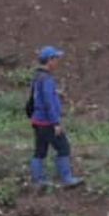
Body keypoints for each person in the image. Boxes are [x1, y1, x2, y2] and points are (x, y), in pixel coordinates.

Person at [28, 45, 83, 188]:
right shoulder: (47, 79)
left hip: (37, 119)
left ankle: (37, 180)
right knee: (63, 147)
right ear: (50, 60)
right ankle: (66, 178)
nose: (58, 62)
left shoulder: (37, 76)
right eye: (56, 58)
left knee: (40, 150)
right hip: (47, 121)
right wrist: (55, 123)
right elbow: (48, 101)